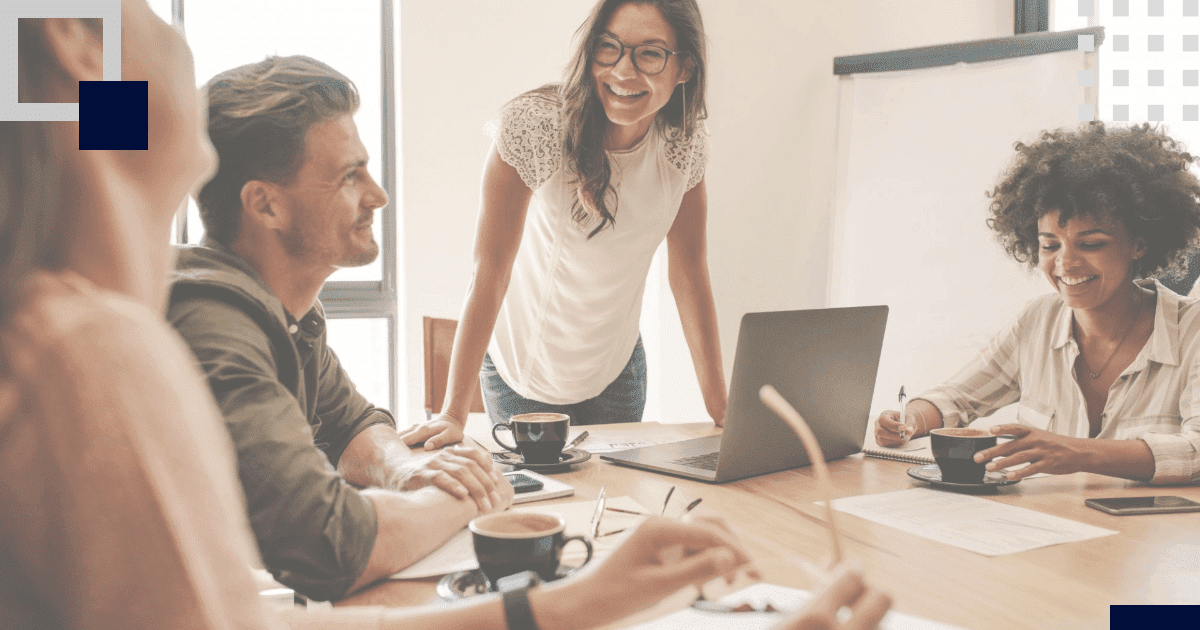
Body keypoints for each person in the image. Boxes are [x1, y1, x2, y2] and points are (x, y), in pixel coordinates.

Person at [0, 3, 893, 630]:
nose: (378, 195)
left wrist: (575, 603)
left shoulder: (124, 311)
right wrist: (457, 485)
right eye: (148, 9)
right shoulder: (95, 350)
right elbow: (330, 549)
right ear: (79, 42)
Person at [167, 54, 514, 601]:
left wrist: (407, 471)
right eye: (349, 176)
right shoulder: (215, 328)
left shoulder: (289, 312)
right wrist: (466, 498)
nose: (378, 196)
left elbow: (348, 423)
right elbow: (328, 546)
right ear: (266, 205)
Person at [401, 0, 726, 450]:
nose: (624, 71)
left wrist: (722, 408)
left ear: (685, 67)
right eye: (608, 48)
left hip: (618, 371)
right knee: (542, 506)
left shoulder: (682, 145)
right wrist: (454, 412)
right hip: (523, 374)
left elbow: (689, 272)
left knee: (614, 507)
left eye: (650, 53)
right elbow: (490, 271)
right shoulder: (536, 127)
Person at [874, 122, 1200, 485]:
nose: (1066, 264)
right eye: (1050, 245)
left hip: (1152, 539)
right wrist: (910, 419)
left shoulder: (1191, 331)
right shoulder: (1037, 321)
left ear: (1139, 244)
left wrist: (1076, 452)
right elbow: (957, 399)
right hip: (1049, 527)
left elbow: (1197, 451)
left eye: (1091, 244)